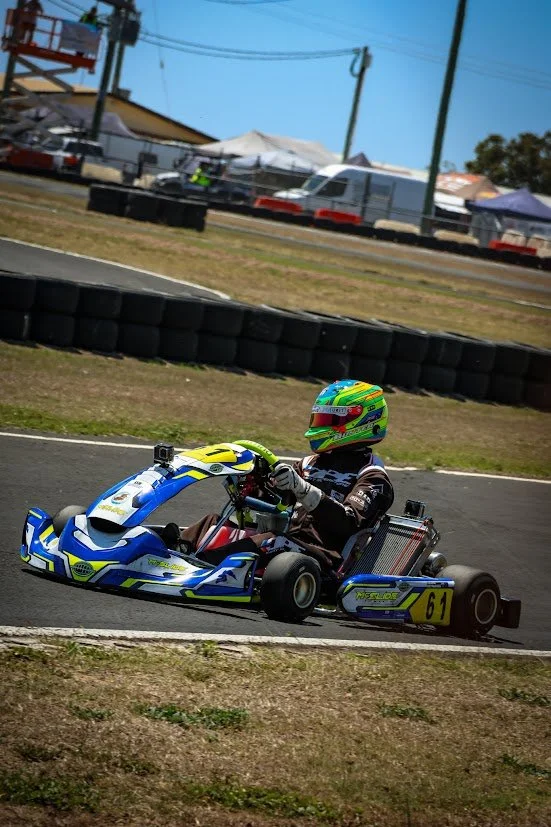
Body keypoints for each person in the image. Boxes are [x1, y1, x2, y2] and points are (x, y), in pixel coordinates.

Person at [177, 380, 394, 576]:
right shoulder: (311, 463)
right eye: (320, 418)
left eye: (330, 419)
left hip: (322, 558)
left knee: (274, 541)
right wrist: (252, 482)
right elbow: (275, 501)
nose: (321, 425)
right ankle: (173, 555)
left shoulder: (373, 478)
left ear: (362, 422)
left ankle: (199, 568)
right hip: (286, 542)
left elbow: (348, 524)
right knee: (213, 523)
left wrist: (303, 489)